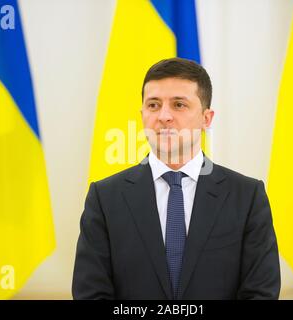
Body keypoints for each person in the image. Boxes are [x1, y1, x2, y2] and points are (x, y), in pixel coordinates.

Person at [72, 57, 280, 300]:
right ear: (142, 115)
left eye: (179, 105)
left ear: (207, 118)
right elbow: (91, 294)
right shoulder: (105, 198)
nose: (164, 116)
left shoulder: (246, 196)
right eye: (153, 105)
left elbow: (260, 293)